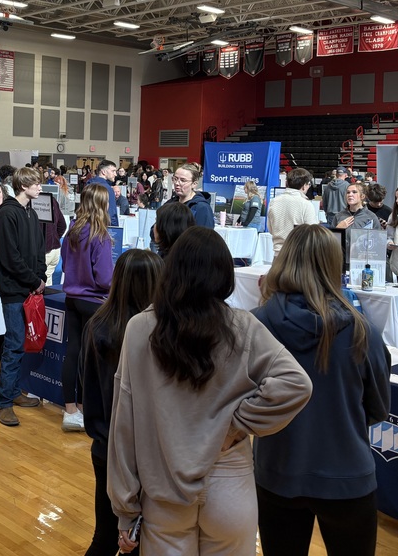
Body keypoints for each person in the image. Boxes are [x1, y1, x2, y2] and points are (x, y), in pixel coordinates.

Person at [108, 227, 312, 555]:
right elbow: (296, 384)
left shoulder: (140, 328)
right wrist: (235, 423)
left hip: (162, 486)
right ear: (224, 275)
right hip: (229, 481)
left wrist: (125, 508)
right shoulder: (242, 326)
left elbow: (124, 425)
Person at [253, 224, 390, 556]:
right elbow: (378, 408)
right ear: (335, 264)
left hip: (277, 471)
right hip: (347, 474)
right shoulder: (362, 331)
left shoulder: (255, 325)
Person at [81, 249, 164, 556]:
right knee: (138, 538)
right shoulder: (151, 336)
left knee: (106, 535)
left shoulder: (96, 325)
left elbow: (84, 384)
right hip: (141, 455)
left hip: (103, 446)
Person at [0, 167, 46, 428]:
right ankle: (3, 402)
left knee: (22, 343)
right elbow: (10, 258)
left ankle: (13, 392)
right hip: (13, 290)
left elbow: (37, 249)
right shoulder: (7, 214)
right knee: (14, 345)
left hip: (28, 288)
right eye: (36, 184)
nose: (40, 188)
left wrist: (40, 276)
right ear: (23, 185)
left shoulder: (30, 213)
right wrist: (33, 280)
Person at [59, 184, 114, 433]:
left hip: (72, 297)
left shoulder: (73, 230)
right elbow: (104, 278)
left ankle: (71, 409)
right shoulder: (100, 235)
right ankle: (84, 407)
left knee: (74, 352)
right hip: (94, 302)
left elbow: (65, 261)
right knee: (90, 359)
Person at [269, 167, 320, 256]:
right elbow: (312, 232)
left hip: (278, 255)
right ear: (304, 185)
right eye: (308, 185)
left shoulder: (274, 201)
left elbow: (270, 229)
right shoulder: (306, 204)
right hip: (297, 257)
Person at [167, 162, 215, 228]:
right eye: (175, 179)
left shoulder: (201, 208)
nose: (177, 183)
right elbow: (154, 230)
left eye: (183, 180)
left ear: (194, 184)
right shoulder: (169, 204)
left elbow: (204, 236)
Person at [85, 159, 120, 227]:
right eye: (113, 171)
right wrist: (115, 229)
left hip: (86, 226)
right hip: (102, 227)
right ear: (103, 172)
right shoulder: (108, 189)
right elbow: (111, 214)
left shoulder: (88, 185)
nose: (115, 174)